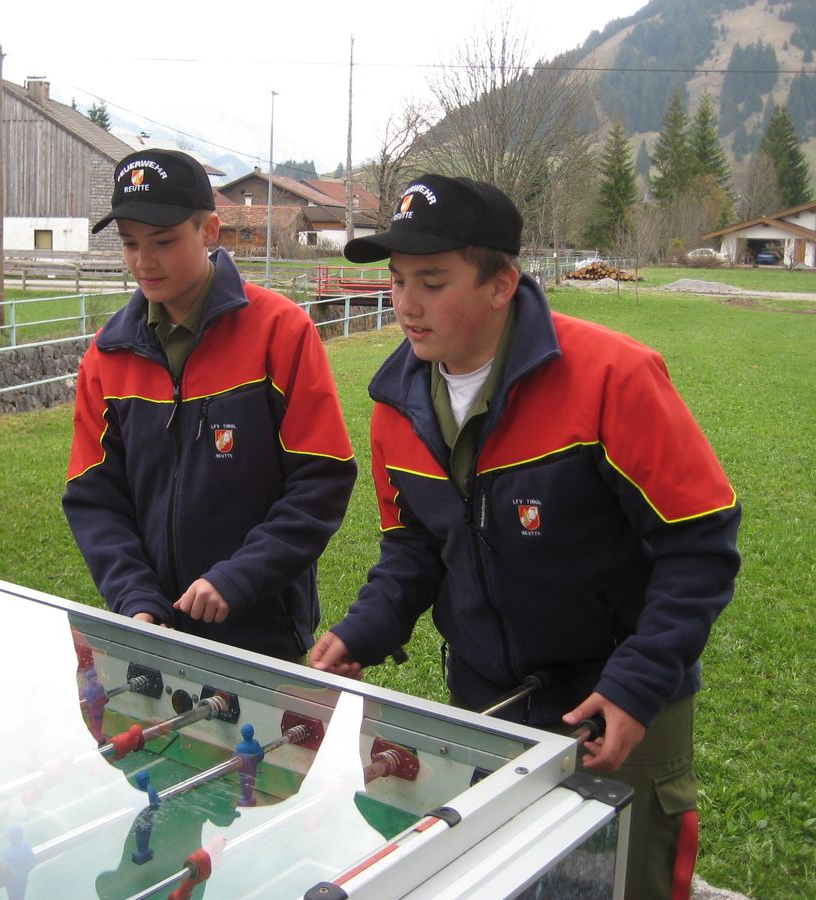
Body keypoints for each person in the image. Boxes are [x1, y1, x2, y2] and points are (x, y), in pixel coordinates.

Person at [309, 175, 741, 900]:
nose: (404, 305)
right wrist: (360, 633)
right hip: (487, 702)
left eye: (432, 281)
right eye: (397, 279)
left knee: (621, 883)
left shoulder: (615, 378)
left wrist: (635, 689)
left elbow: (699, 546)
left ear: (502, 283)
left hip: (618, 704)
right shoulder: (397, 404)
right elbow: (415, 548)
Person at [63, 150, 356, 661]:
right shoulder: (106, 356)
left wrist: (239, 578)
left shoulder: (281, 333)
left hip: (264, 635)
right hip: (152, 635)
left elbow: (322, 480)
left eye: (164, 241)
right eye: (130, 243)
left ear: (211, 232)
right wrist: (134, 595)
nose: (143, 261)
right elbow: (94, 497)